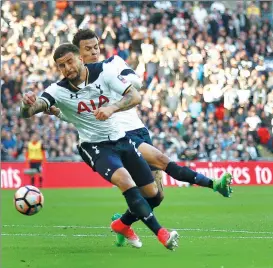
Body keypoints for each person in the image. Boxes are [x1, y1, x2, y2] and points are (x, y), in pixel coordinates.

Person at [48, 29, 233, 246]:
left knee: (156, 195)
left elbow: (136, 83)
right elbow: (76, 116)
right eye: (88, 49)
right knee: (161, 160)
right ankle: (213, 184)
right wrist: (59, 112)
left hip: (138, 127)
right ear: (78, 54)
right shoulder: (72, 86)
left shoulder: (111, 65)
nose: (94, 52)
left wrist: (117, 84)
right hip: (119, 133)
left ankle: (122, 224)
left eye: (96, 47)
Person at [20, 43, 179, 250]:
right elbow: (31, 110)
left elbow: (134, 96)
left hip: (121, 140)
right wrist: (26, 104)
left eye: (70, 61)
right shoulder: (57, 90)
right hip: (94, 146)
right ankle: (162, 234)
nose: (67, 68)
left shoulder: (104, 72)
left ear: (80, 59)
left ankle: (120, 225)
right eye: (62, 66)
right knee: (125, 180)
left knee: (153, 194)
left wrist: (112, 107)